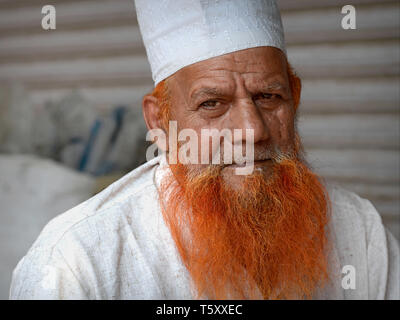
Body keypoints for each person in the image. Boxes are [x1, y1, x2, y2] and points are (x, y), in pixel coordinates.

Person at [10, 0, 399, 300]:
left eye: (268, 96)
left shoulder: (360, 233)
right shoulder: (76, 264)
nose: (251, 130)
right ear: (159, 120)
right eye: (212, 104)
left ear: (294, 98)